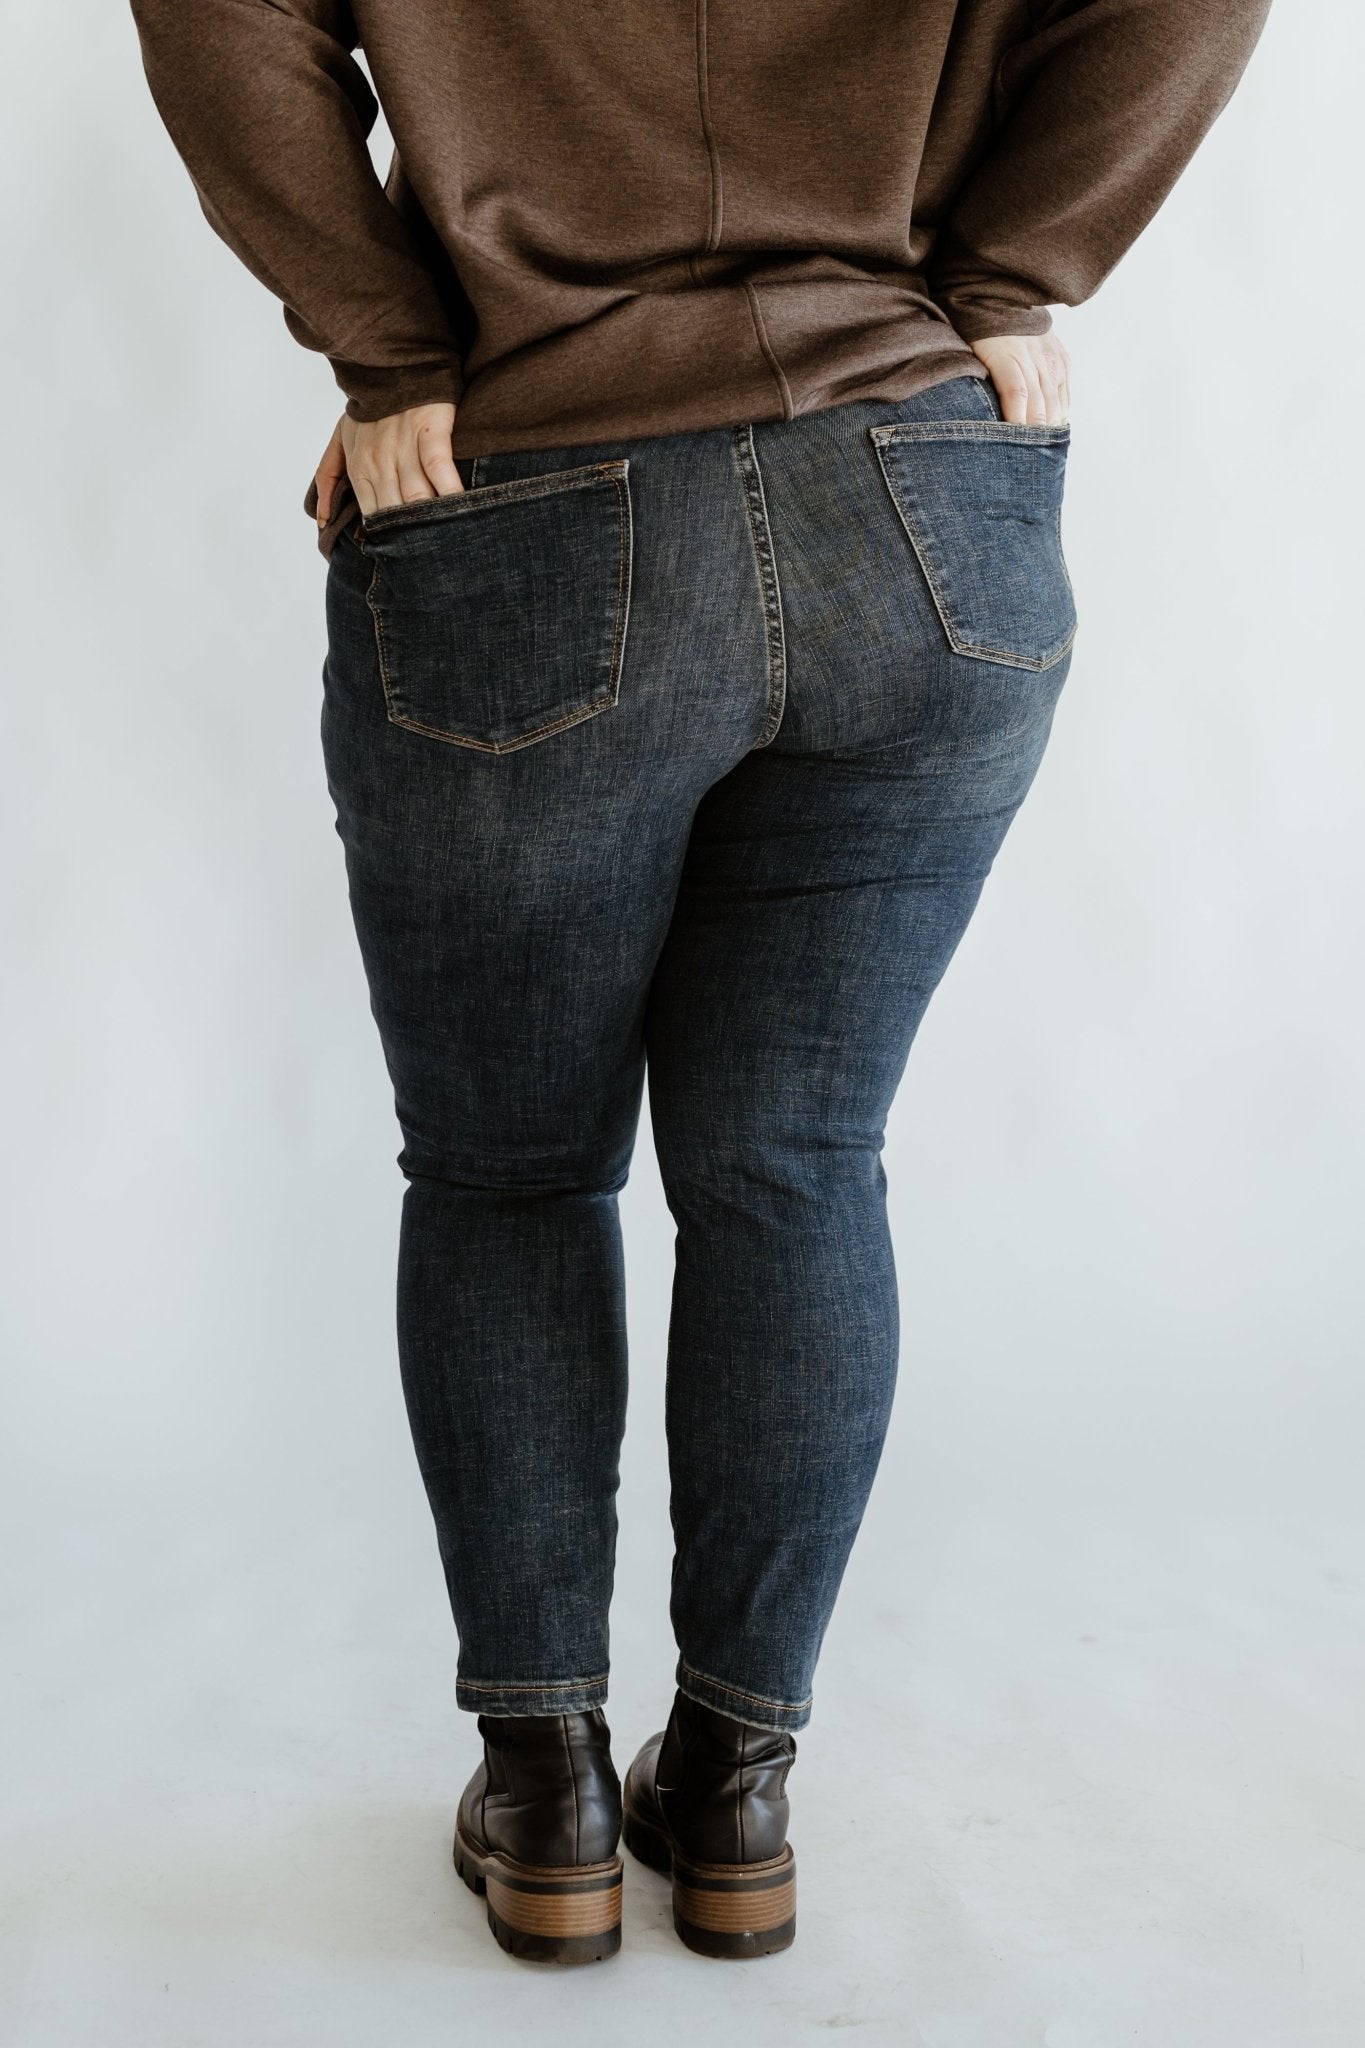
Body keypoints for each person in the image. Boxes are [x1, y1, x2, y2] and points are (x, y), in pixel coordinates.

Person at [130, 0, 1272, 1966]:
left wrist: (392, 349)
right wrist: (1005, 279)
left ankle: (548, 1796)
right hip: (917, 493)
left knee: (507, 1172)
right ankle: (734, 1787)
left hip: (527, 487)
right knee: (795, 1161)